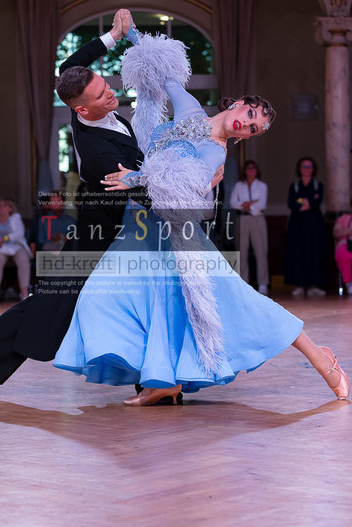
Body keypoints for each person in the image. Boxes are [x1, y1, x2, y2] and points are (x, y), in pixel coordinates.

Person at [53, 29, 349, 406]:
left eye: (254, 128)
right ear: (239, 103)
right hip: (139, 228)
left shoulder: (215, 154)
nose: (248, 124)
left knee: (238, 299)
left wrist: (137, 179)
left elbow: (180, 191)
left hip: (176, 234)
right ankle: (164, 380)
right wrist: (131, 35)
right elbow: (163, 69)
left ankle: (320, 358)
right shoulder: (190, 107)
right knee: (108, 298)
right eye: (251, 114)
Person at [0, 8, 148, 403]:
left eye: (105, 84)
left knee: (124, 299)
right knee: (48, 313)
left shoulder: (81, 94)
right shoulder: (99, 153)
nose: (111, 92)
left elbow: (71, 65)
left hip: (120, 234)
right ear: (81, 110)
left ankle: (153, 380)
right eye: (102, 94)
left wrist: (114, 37)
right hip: (99, 240)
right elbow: (146, 187)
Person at [284, 157, 327, 297]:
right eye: (304, 166)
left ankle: (314, 285)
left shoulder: (318, 185)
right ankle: (299, 285)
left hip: (315, 226)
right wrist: (305, 201)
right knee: (298, 253)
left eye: (309, 166)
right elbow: (292, 202)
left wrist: (302, 201)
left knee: (315, 253)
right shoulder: (295, 186)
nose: (306, 169)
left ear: (313, 169)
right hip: (297, 225)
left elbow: (316, 202)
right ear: (299, 169)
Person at [230, 160, 269, 294]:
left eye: (254, 168)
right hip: (242, 218)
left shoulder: (262, 186)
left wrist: (246, 205)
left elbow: (261, 204)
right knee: (241, 251)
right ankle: (243, 282)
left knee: (260, 250)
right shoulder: (239, 185)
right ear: (245, 171)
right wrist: (248, 204)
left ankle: (263, 283)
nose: (251, 170)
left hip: (257, 219)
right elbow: (233, 202)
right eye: (249, 168)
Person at [0, 199, 33, 302]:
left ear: (10, 208)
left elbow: (19, 234)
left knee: (23, 259)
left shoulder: (16, 217)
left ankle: (24, 292)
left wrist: (3, 239)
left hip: (16, 246)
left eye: (4, 206)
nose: (0, 208)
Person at [333, 211, 352, 296]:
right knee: (343, 254)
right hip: (346, 244)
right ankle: (349, 283)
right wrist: (349, 231)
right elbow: (336, 233)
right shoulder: (344, 218)